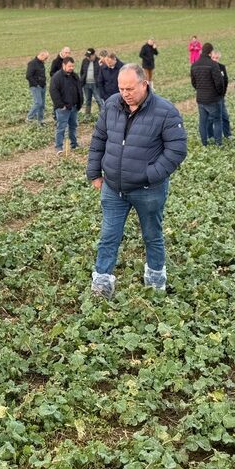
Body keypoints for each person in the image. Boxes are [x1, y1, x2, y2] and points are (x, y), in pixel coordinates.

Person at [87, 65, 187, 298]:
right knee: (109, 235)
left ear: (144, 84)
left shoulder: (165, 111)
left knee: (152, 234)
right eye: (121, 88)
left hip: (148, 190)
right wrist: (94, 172)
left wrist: (150, 175)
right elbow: (99, 138)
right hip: (113, 187)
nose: (125, 93)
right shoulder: (112, 104)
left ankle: (155, 280)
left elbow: (177, 150)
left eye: (130, 88)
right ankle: (102, 281)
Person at [190, 42, 224, 146]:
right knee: (217, 120)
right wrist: (219, 93)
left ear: (202, 51)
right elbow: (219, 82)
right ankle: (218, 143)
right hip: (213, 99)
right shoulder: (213, 65)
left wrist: (200, 89)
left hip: (200, 99)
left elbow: (193, 82)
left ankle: (204, 143)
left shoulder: (194, 65)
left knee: (203, 122)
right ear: (210, 53)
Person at [49, 55, 83, 153]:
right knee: (61, 128)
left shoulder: (75, 76)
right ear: (63, 65)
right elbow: (53, 92)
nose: (71, 68)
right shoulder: (57, 77)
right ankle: (59, 147)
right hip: (63, 108)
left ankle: (74, 144)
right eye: (69, 66)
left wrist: (79, 103)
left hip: (74, 107)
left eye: (73, 66)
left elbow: (79, 89)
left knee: (73, 126)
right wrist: (61, 105)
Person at [212, 48, 232, 140]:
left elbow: (226, 81)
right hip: (211, 98)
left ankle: (228, 134)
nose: (215, 60)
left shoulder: (222, 67)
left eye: (217, 58)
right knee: (211, 118)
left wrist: (223, 93)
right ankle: (212, 136)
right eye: (213, 58)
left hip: (221, 97)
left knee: (225, 117)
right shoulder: (209, 68)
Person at [25, 50, 49, 125]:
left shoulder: (41, 63)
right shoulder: (32, 63)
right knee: (38, 102)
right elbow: (28, 76)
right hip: (35, 87)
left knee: (42, 105)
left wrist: (44, 84)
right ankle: (29, 117)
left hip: (43, 86)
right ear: (41, 55)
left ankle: (40, 121)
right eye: (45, 58)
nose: (46, 60)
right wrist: (36, 84)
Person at [78, 47, 101, 119]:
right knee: (88, 100)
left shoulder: (99, 61)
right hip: (86, 84)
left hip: (95, 84)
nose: (88, 58)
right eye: (87, 56)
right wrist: (82, 80)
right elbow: (81, 72)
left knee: (99, 100)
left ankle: (102, 115)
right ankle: (87, 115)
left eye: (89, 56)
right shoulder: (84, 61)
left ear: (94, 55)